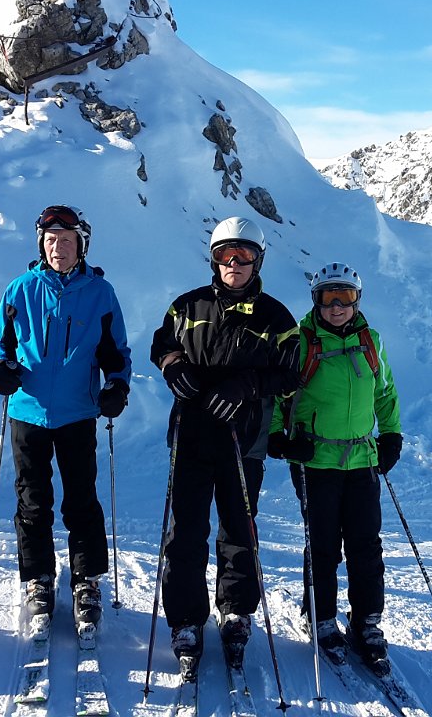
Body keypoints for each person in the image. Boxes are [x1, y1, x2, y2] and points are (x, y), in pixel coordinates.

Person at [150, 216, 300, 670]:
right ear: (213, 260)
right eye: (224, 255)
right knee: (186, 529)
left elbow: (292, 372)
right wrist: (173, 364)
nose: (233, 263)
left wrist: (248, 385)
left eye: (244, 255)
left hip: (243, 438)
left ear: (258, 260)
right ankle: (186, 618)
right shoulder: (188, 305)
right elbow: (161, 343)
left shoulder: (277, 317)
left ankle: (235, 611)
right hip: (193, 434)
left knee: (239, 527)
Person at [0, 205, 131, 633]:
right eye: (50, 241)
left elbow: (115, 351)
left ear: (81, 245)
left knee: (81, 498)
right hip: (28, 410)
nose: (58, 248)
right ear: (41, 245)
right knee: (32, 499)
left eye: (66, 240)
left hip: (78, 411)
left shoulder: (100, 293)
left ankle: (86, 579)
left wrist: (117, 385)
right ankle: (38, 578)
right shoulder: (19, 289)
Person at [267, 262, 402, 675]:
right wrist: (280, 436)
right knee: (324, 545)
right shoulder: (301, 342)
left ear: (358, 300)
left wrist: (391, 434)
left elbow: (385, 391)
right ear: (317, 301)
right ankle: (321, 616)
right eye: (329, 297)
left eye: (346, 296)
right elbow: (278, 394)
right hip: (315, 461)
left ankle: (366, 624)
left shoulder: (370, 340)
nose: (338, 305)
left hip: (362, 459)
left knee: (366, 546)